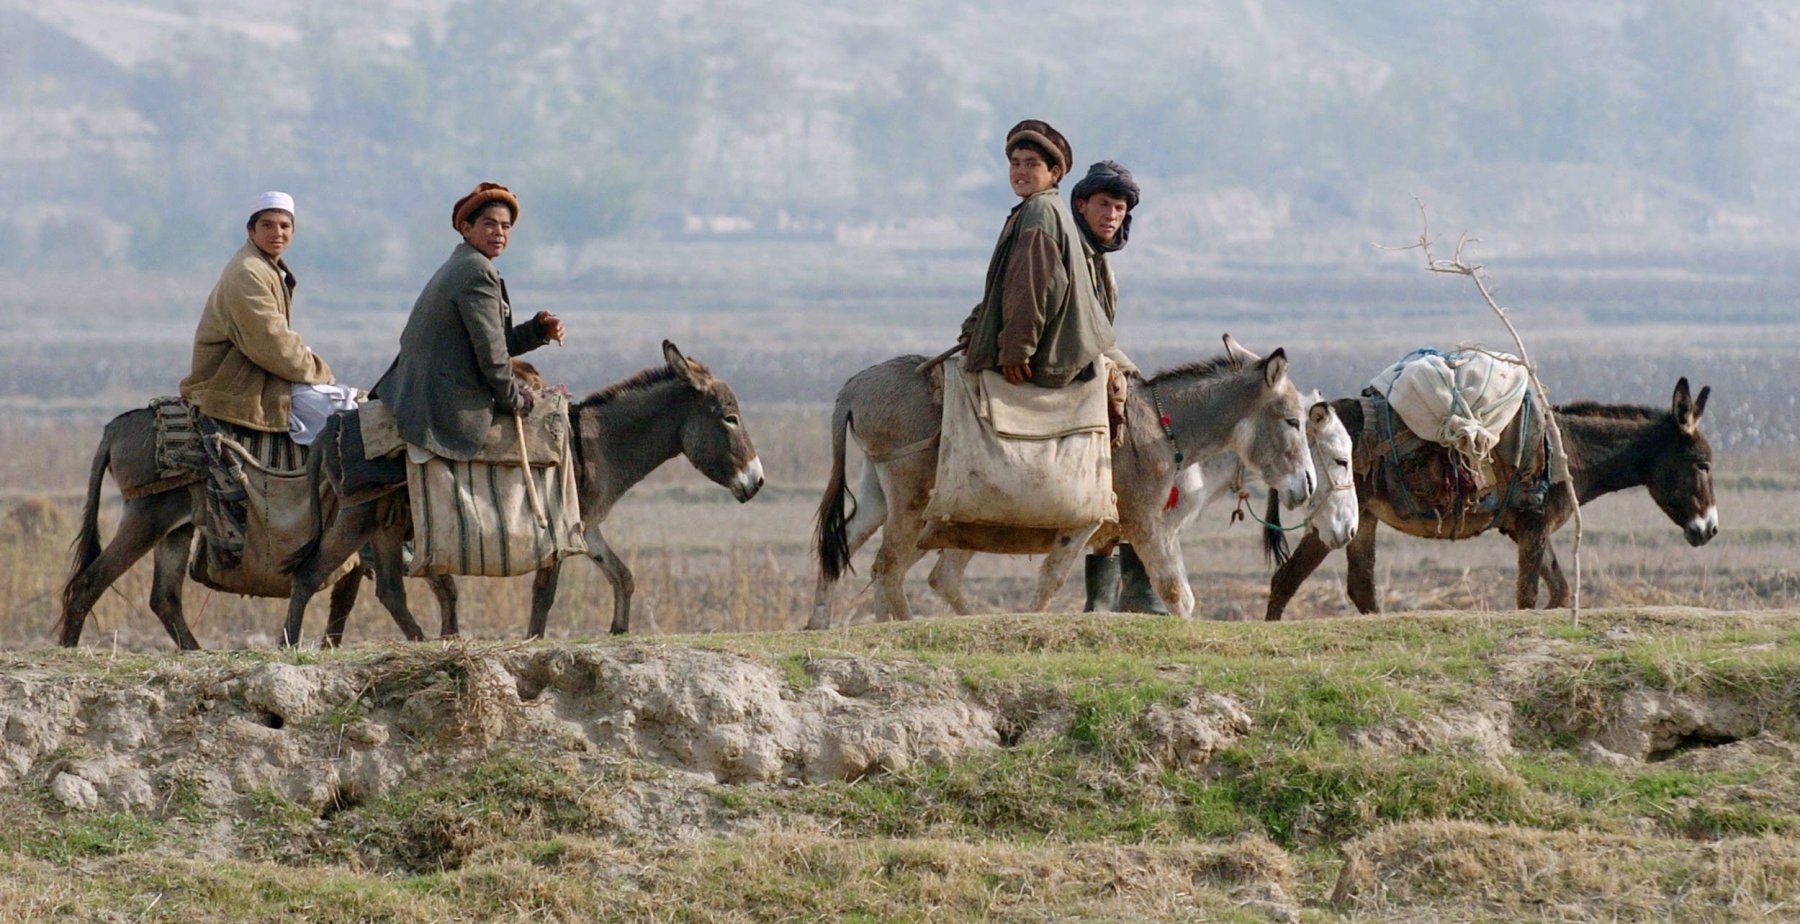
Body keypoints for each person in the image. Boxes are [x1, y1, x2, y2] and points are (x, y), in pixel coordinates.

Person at [371, 182, 564, 461]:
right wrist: (516, 400)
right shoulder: (476, 270)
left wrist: (537, 330)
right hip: (441, 402)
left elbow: (496, 340)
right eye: (489, 224)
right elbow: (492, 354)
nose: (499, 233)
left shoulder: (465, 263)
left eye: (505, 227)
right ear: (466, 229)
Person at [1060, 160, 1166, 614]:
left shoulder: (1100, 264)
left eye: (1120, 208)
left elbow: (1104, 336)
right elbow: (1075, 331)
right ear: (1082, 205)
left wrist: (1136, 378)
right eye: (1104, 205)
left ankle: (1116, 599)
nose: (1111, 215)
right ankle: (1120, 596)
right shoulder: (1068, 255)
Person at [179, 191, 353, 452]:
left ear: (293, 232)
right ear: (251, 230)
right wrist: (320, 373)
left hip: (259, 372)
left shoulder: (265, 267)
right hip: (235, 382)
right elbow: (272, 344)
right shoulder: (248, 272)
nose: (277, 233)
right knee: (347, 418)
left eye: (285, 226)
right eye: (267, 225)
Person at [957, 119, 1117, 389]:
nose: (1021, 171)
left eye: (1032, 164)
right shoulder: (1039, 208)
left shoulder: (1040, 211)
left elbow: (1031, 289)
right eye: (1015, 163)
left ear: (1054, 173)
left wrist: (1016, 352)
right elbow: (1006, 287)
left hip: (1052, 360)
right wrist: (976, 328)